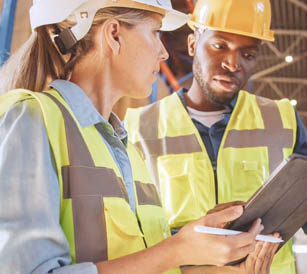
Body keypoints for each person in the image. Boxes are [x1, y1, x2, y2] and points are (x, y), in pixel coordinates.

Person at [0, 0, 280, 273]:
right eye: (155, 33)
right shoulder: (33, 120)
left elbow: (145, 262)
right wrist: (178, 249)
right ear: (114, 35)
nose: (164, 53)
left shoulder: (125, 150)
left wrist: (214, 267)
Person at [124, 0, 307, 273]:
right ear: (193, 45)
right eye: (220, 46)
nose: (233, 64)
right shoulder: (137, 128)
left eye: (248, 54)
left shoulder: (282, 120)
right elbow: (129, 234)